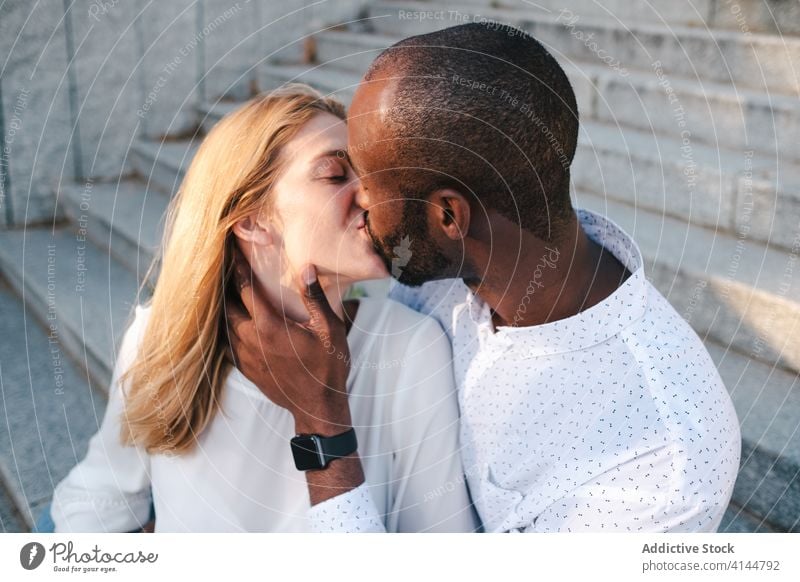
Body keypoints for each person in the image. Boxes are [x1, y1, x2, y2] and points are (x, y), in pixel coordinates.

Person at [228, 24, 741, 533]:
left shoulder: (662, 467)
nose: (357, 201)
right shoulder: (443, 272)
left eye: (370, 182)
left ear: (448, 218)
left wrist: (322, 427)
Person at [46, 84, 479, 533]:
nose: (371, 198)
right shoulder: (161, 336)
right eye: (334, 175)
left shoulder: (410, 349)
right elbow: (99, 496)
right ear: (253, 221)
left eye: (366, 177)